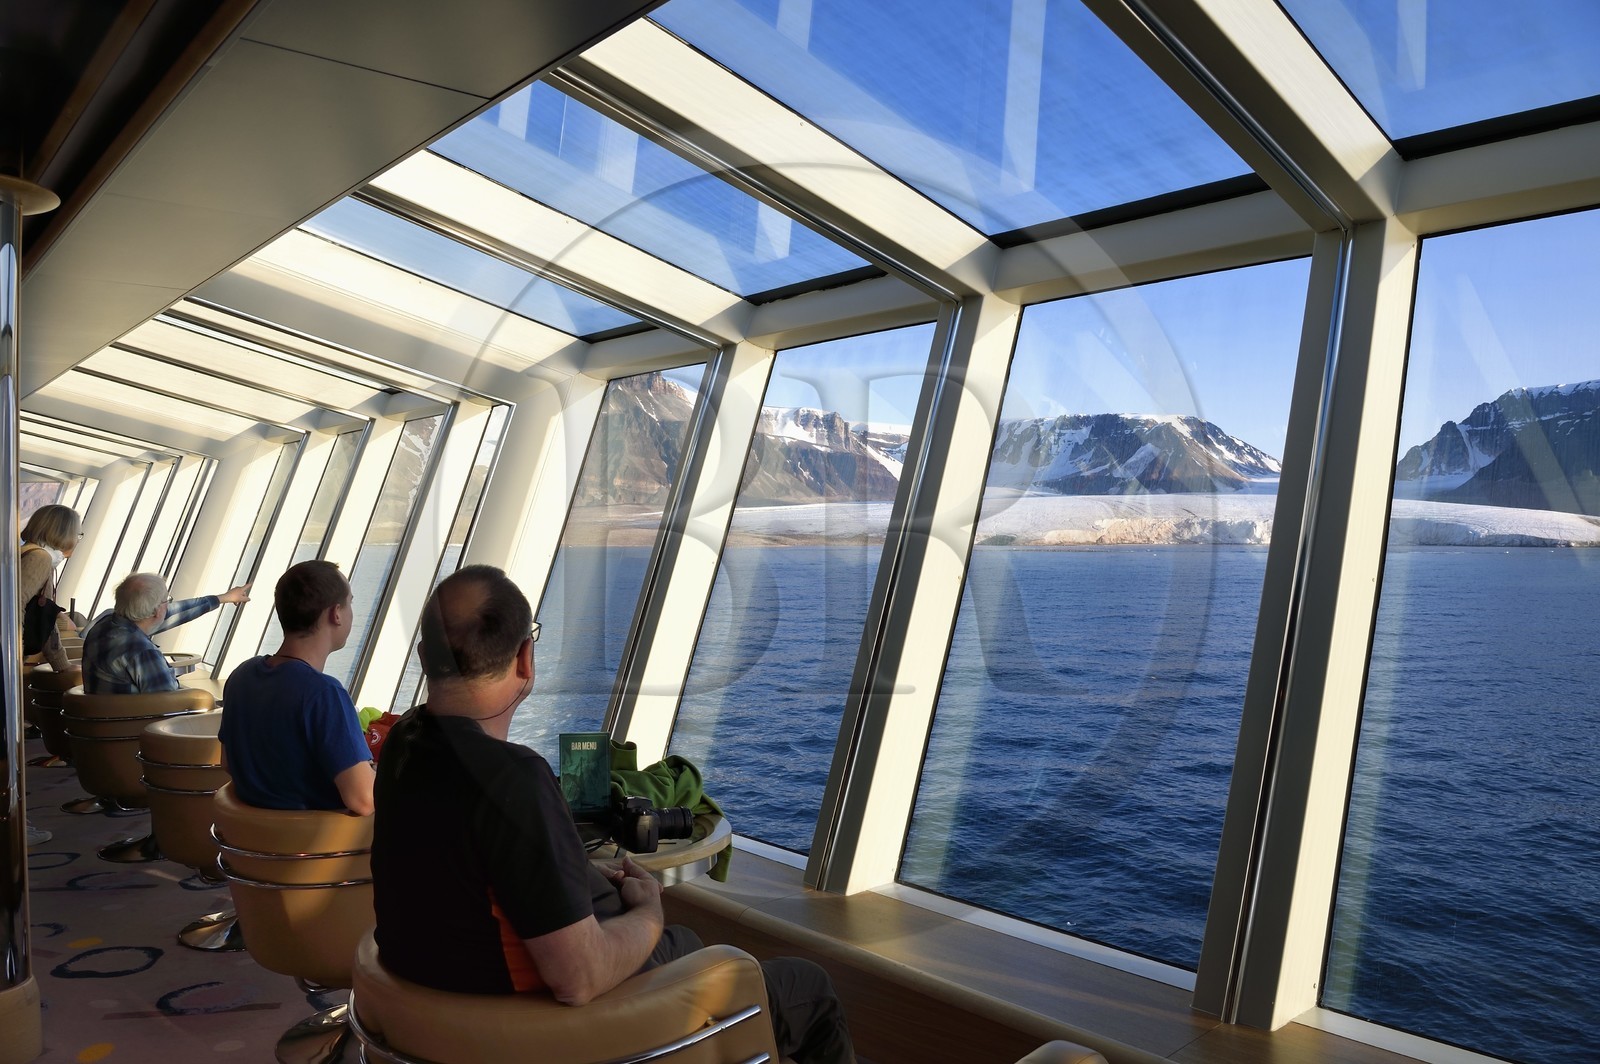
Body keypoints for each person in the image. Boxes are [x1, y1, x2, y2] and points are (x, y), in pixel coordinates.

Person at [371, 566, 855, 1064]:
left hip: (432, 1009)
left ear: (425, 654)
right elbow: (578, 978)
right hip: (543, 1032)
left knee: (684, 941)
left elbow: (460, 871)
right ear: (524, 657)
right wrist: (649, 910)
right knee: (808, 987)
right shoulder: (512, 780)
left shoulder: (405, 745)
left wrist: (567, 871)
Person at [218, 560, 374, 816]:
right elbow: (364, 800)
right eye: (350, 602)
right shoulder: (324, 693)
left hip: (247, 845)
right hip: (310, 850)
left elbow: (228, 762)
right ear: (336, 613)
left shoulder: (241, 677)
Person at [81, 572, 251, 694]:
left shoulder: (103, 626)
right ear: (156, 611)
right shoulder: (142, 652)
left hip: (101, 728)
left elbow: (175, 612)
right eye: (167, 600)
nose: (169, 605)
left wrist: (222, 598)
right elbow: (167, 702)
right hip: (134, 733)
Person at [19, 504, 82, 675]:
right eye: (78, 534)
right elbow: (15, 606)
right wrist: (15, 653)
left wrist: (61, 664)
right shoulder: (40, 558)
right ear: (63, 533)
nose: (77, 540)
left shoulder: (32, 554)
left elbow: (43, 616)